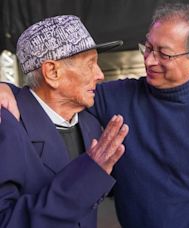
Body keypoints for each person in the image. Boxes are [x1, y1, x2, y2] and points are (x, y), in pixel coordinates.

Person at [0, 3, 189, 227]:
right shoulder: (117, 97)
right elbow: (50, 96)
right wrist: (6, 89)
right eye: (148, 48)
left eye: (164, 54)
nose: (150, 60)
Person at [0, 15, 129, 227]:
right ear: (52, 72)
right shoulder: (6, 127)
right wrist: (86, 178)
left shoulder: (90, 124)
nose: (100, 75)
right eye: (90, 64)